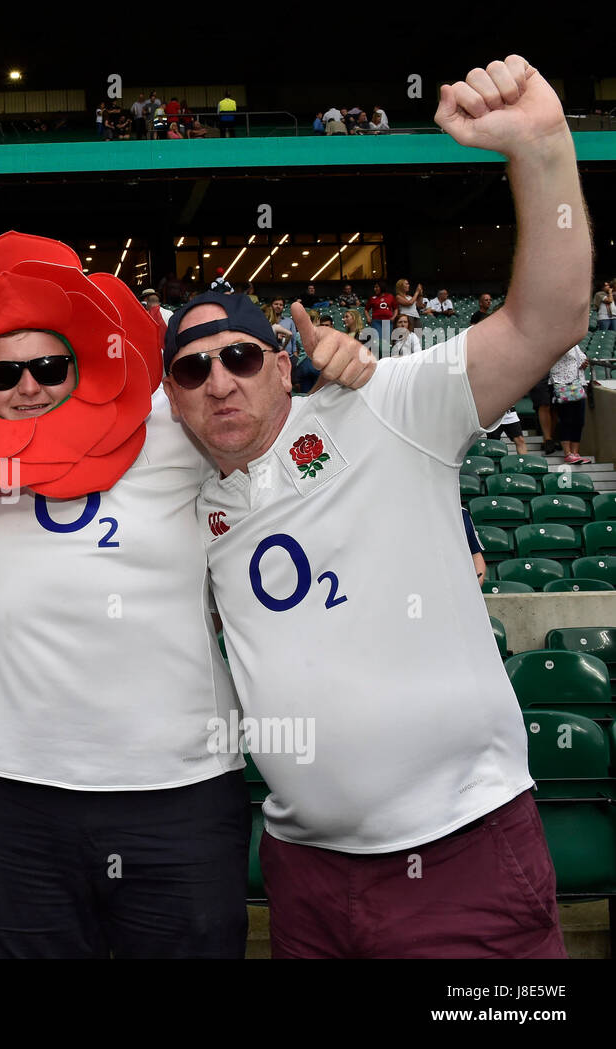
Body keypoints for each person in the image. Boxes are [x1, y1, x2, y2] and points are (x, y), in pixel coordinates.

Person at [162, 55, 584, 959]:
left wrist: (542, 150)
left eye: (240, 355)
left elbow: (548, 318)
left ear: (284, 361)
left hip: (465, 856)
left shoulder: (389, 403)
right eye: (191, 368)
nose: (219, 381)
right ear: (173, 396)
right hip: (304, 875)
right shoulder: (177, 481)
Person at [0, 230, 375, 959]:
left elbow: (266, 419)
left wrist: (341, 367)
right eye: (5, 373)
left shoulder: (169, 425)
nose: (29, 386)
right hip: (23, 798)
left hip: (179, 792)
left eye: (49, 366)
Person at [551, 342, 592, 464]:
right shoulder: (557, 343)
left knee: (579, 421)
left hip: (578, 385)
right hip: (563, 384)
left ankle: (575, 453)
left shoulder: (575, 345)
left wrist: (584, 363)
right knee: (567, 420)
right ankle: (567, 453)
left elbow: (581, 361)